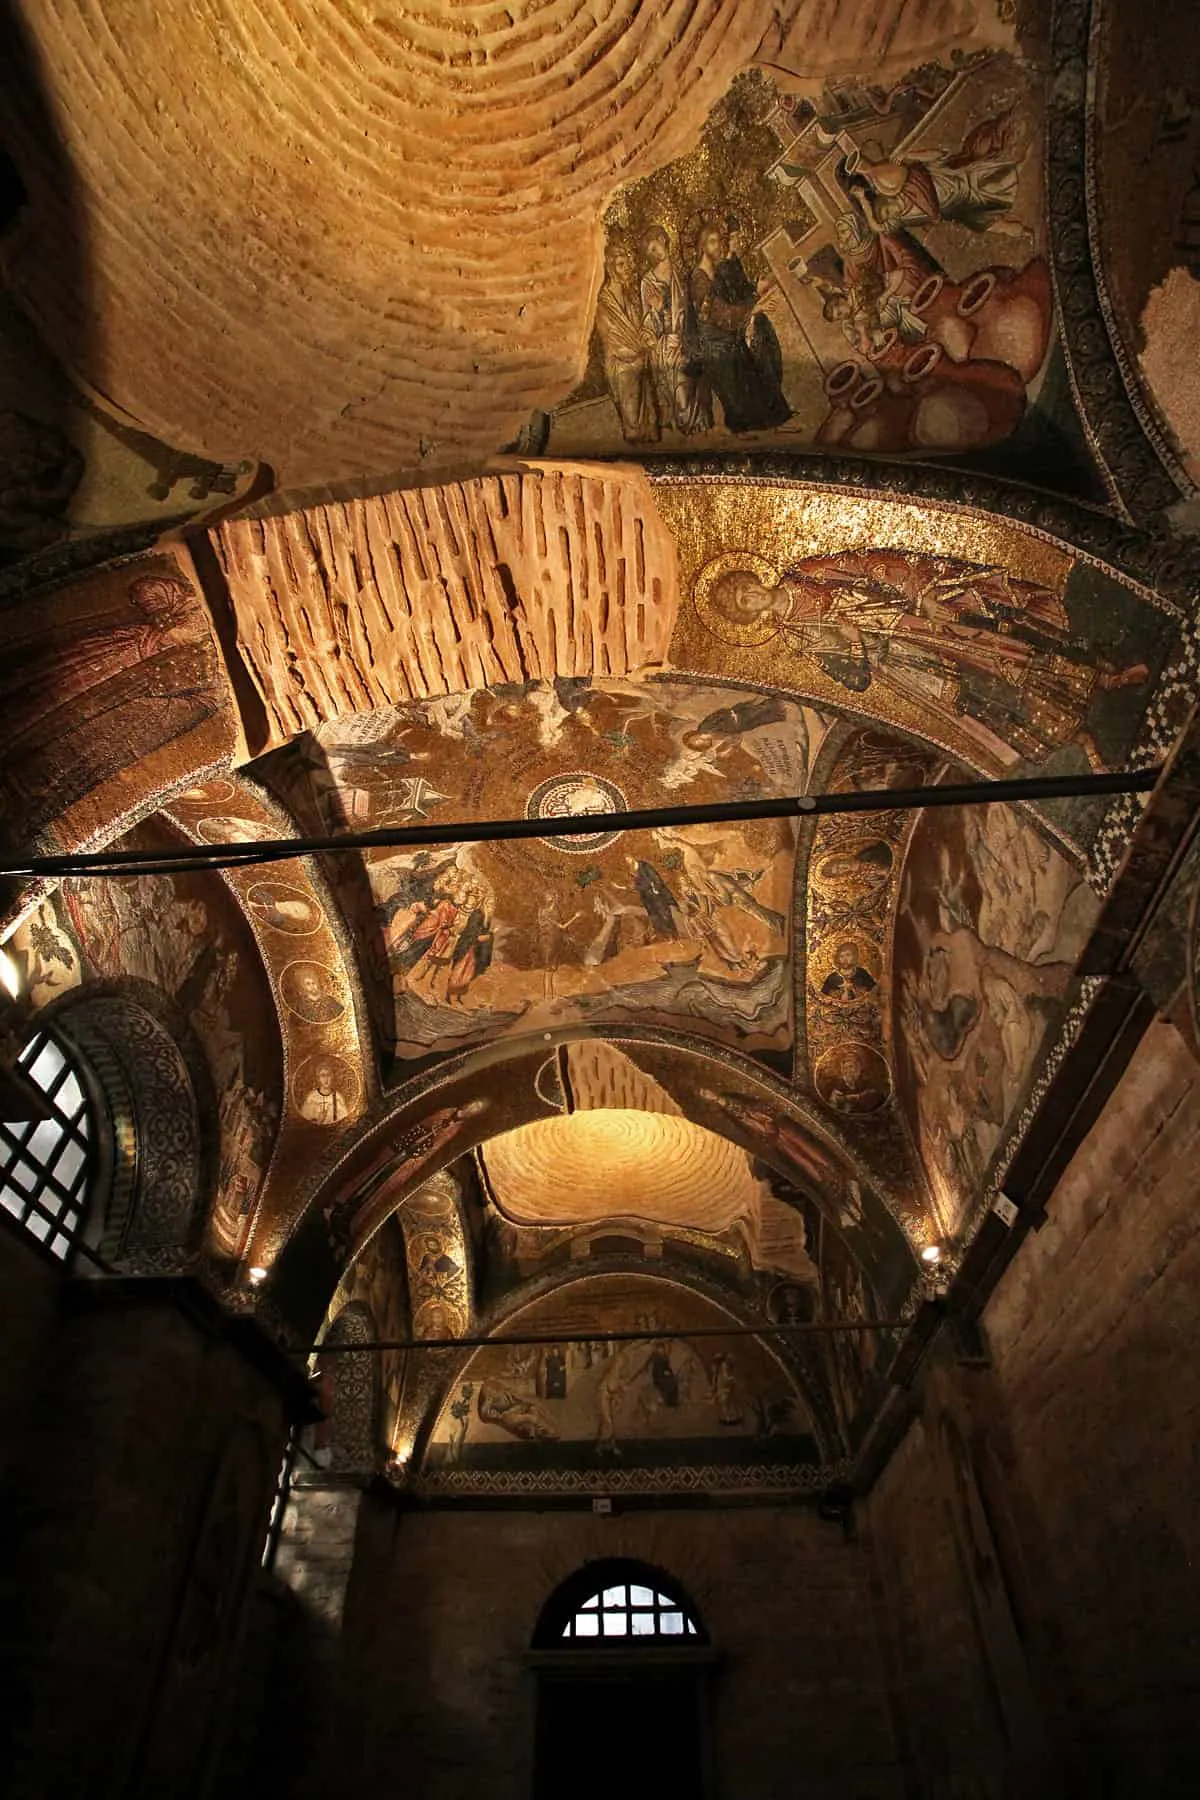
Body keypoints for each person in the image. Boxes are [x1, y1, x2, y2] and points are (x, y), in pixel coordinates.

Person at [701, 551, 1149, 771]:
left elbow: (869, 566)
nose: (752, 594)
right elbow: (853, 679)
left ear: (754, 576)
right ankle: (1083, 740)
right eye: (744, 601)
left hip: (919, 622)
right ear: (750, 614)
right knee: (991, 691)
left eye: (746, 586)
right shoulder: (797, 637)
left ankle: (1106, 676)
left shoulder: (808, 573)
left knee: (1006, 648)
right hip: (907, 663)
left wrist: (923, 594)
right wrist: (854, 644)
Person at [688, 222, 791, 432]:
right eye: (712, 242)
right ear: (702, 247)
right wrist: (755, 301)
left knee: (761, 340)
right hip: (716, 345)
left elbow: (734, 301)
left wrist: (756, 294)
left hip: (730, 337)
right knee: (743, 396)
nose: (718, 246)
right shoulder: (699, 280)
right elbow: (722, 316)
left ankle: (774, 418)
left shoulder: (716, 272)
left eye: (719, 241)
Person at [640, 223, 709, 433]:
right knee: (679, 387)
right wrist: (657, 310)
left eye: (655, 246)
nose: (654, 253)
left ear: (663, 240)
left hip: (686, 337)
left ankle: (699, 424)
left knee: (694, 379)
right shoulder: (647, 282)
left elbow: (690, 305)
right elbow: (647, 322)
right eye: (650, 251)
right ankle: (686, 424)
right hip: (666, 344)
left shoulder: (679, 272)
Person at [595, 235, 658, 442]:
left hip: (640, 363)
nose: (626, 268)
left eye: (627, 263)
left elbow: (639, 327)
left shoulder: (630, 298)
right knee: (632, 425)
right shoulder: (603, 303)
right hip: (621, 367)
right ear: (610, 267)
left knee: (647, 424)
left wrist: (648, 332)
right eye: (621, 264)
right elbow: (612, 339)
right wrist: (640, 345)